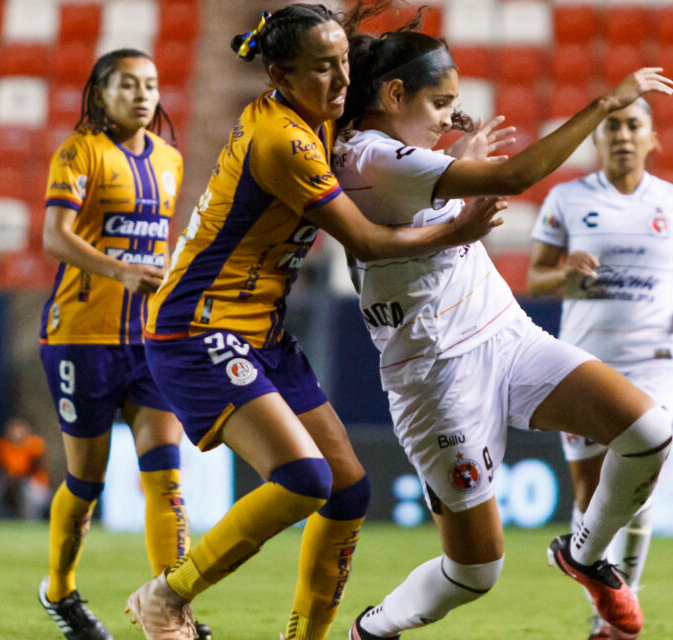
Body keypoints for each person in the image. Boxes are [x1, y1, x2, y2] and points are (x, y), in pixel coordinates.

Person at [126, 6, 502, 640]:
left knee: (348, 492)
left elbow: (381, 119)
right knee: (305, 479)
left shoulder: (321, 113)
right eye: (322, 69)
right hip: (198, 325)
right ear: (279, 75)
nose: (338, 80)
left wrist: (431, 123)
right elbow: (366, 240)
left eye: (344, 64)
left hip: (258, 329)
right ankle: (165, 597)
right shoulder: (283, 140)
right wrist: (455, 228)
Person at [330, 13, 673, 639]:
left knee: (648, 432)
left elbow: (421, 203)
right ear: (393, 95)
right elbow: (516, 178)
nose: (446, 117)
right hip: (436, 375)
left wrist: (455, 159)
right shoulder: (373, 156)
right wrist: (605, 103)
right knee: (475, 571)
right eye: (439, 103)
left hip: (505, 333)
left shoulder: (396, 152)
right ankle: (373, 629)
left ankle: (585, 554)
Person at [527, 97, 673, 639]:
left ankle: (613, 619)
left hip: (654, 358)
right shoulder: (567, 199)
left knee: (641, 482)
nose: (622, 135)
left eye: (634, 125)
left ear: (652, 137)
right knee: (591, 494)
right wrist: (567, 273)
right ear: (597, 138)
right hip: (584, 360)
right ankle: (601, 595)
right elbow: (534, 277)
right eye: (612, 125)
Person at [36, 48, 206, 640]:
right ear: (99, 95)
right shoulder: (79, 152)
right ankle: (59, 591)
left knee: (166, 476)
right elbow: (54, 237)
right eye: (127, 84)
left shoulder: (169, 160)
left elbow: (157, 248)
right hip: (82, 337)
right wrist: (119, 271)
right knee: (86, 484)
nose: (142, 94)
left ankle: (170, 607)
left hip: (148, 341)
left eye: (151, 85)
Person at [0, 417, 51, 521]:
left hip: (33, 482)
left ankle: (31, 524)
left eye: (19, 429)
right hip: (9, 481)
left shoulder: (35, 444)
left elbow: (37, 468)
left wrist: (18, 477)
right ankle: (3, 521)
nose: (15, 432)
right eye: (12, 429)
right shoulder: (2, 445)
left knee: (29, 494)